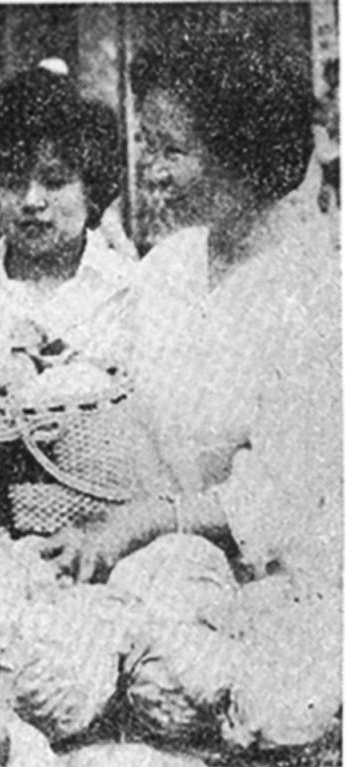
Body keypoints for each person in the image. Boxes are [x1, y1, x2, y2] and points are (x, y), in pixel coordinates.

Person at [42, 27, 340, 594]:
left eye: (171, 151)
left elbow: (279, 499)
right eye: (148, 145)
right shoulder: (168, 266)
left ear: (243, 154)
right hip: (155, 571)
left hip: (285, 588)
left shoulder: (319, 290)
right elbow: (101, 380)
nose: (150, 170)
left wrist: (142, 522)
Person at [0, 61, 138, 372]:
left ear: (91, 188)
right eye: (12, 183)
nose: (32, 201)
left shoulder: (132, 294)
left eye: (55, 182)